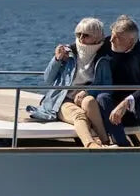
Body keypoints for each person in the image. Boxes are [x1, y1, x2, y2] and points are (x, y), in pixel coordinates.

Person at [25, 17, 113, 147]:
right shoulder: (68, 53)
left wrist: (87, 91)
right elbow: (48, 79)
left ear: (97, 37)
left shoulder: (103, 57)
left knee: (89, 101)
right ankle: (91, 144)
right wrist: (57, 60)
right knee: (79, 115)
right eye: (78, 34)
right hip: (63, 98)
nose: (81, 38)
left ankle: (105, 141)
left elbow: (107, 85)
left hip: (85, 98)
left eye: (86, 35)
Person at [96, 16, 140, 146]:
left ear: (131, 40)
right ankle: (122, 144)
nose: (111, 40)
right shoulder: (108, 44)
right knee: (102, 98)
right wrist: (65, 50)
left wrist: (126, 102)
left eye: (117, 38)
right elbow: (84, 47)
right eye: (112, 35)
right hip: (115, 105)